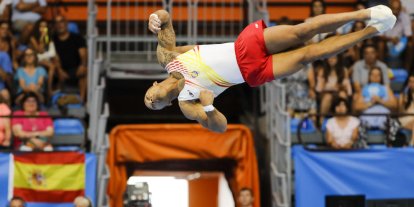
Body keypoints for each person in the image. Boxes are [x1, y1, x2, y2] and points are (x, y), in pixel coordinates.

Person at [145, 6, 396, 133]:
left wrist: (156, 16)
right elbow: (219, 128)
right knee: (310, 54)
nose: (150, 100)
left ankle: (366, 12)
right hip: (252, 72)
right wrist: (209, 108)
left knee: (302, 31)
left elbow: (166, 19)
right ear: (164, 106)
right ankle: (371, 31)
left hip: (243, 47)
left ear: (154, 85)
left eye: (147, 97)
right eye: (152, 106)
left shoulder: (168, 58)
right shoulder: (187, 103)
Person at [53, 15, 87, 102]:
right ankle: (56, 100)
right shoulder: (53, 39)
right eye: (57, 23)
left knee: (84, 72)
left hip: (76, 69)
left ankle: (81, 101)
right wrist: (59, 70)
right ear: (55, 26)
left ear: (66, 24)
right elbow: (53, 56)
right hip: (59, 70)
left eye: (61, 22)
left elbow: (83, 54)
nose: (60, 25)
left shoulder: (77, 38)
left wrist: (82, 65)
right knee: (52, 70)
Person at [380, 0, 412, 69]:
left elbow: (408, 35)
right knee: (381, 44)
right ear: (389, 8)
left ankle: (406, 71)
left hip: (400, 42)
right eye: (393, 9)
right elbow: (379, 36)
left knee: (410, 45)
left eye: (397, 9)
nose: (395, 12)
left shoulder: (405, 16)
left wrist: (400, 41)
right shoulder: (383, 17)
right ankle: (381, 69)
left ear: (400, 9)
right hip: (386, 41)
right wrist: (391, 39)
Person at [30, 19, 57, 98]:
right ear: (37, 28)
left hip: (45, 59)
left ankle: (58, 86)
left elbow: (53, 53)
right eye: (41, 26)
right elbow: (40, 50)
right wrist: (42, 37)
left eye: (45, 26)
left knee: (56, 65)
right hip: (34, 59)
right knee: (52, 66)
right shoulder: (33, 38)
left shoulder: (49, 38)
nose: (43, 28)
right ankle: (49, 89)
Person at [398, 74, 414, 146]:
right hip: (405, 119)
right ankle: (412, 145)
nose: (412, 84)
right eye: (410, 81)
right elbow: (400, 113)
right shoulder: (403, 95)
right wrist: (401, 103)